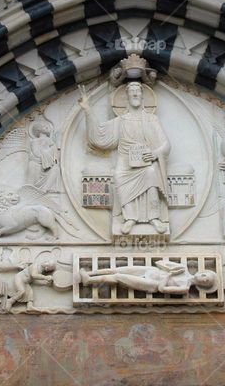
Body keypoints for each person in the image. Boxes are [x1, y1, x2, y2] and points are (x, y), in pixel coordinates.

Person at [80, 81, 170, 234]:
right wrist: (88, 110)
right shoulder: (120, 121)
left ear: (142, 96)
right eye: (132, 92)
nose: (135, 94)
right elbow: (100, 137)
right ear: (127, 97)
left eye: (138, 91)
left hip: (146, 162)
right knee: (119, 176)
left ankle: (154, 217)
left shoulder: (151, 119)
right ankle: (130, 218)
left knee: (151, 173)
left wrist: (154, 154)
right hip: (126, 163)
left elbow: (166, 144)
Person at [79, 259, 216, 295]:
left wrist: (168, 275)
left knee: (118, 276)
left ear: (202, 285)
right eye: (205, 275)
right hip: (151, 270)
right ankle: (91, 273)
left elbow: (162, 289)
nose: (203, 278)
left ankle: (89, 280)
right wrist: (171, 268)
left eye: (206, 281)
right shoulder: (183, 269)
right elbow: (159, 263)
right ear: (201, 271)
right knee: (118, 269)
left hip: (151, 283)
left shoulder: (184, 288)